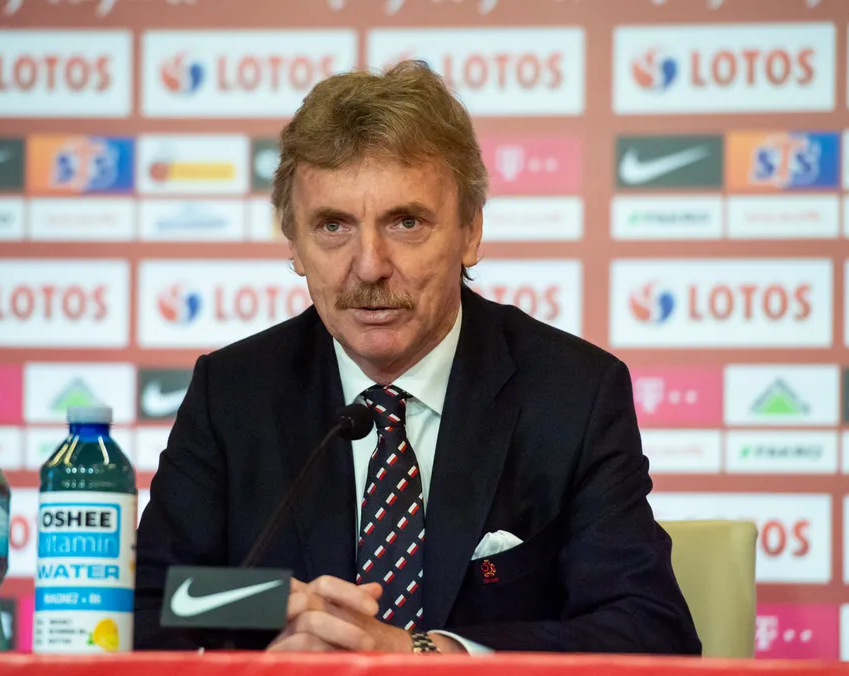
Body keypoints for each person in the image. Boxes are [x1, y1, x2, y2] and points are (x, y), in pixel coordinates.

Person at [134, 60, 701, 655]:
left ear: (470, 232)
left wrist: (425, 655)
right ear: (294, 243)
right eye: (333, 226)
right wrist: (275, 609)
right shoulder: (234, 393)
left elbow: (650, 630)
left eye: (405, 222)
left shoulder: (571, 395)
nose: (369, 266)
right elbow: (147, 604)